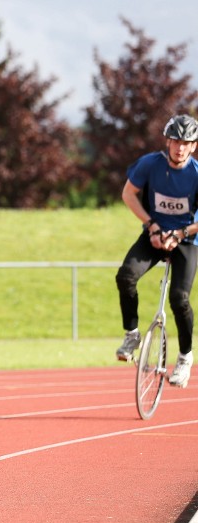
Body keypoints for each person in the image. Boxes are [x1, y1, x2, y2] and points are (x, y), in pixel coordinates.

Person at [115, 114, 198, 387]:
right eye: (175, 141)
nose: (180, 147)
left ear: (194, 146)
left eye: (186, 142)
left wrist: (182, 233)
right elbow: (129, 194)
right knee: (125, 276)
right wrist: (151, 225)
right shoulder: (150, 164)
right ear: (168, 141)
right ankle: (132, 333)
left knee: (179, 298)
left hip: (186, 240)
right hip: (153, 234)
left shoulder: (196, 174)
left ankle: (185, 356)